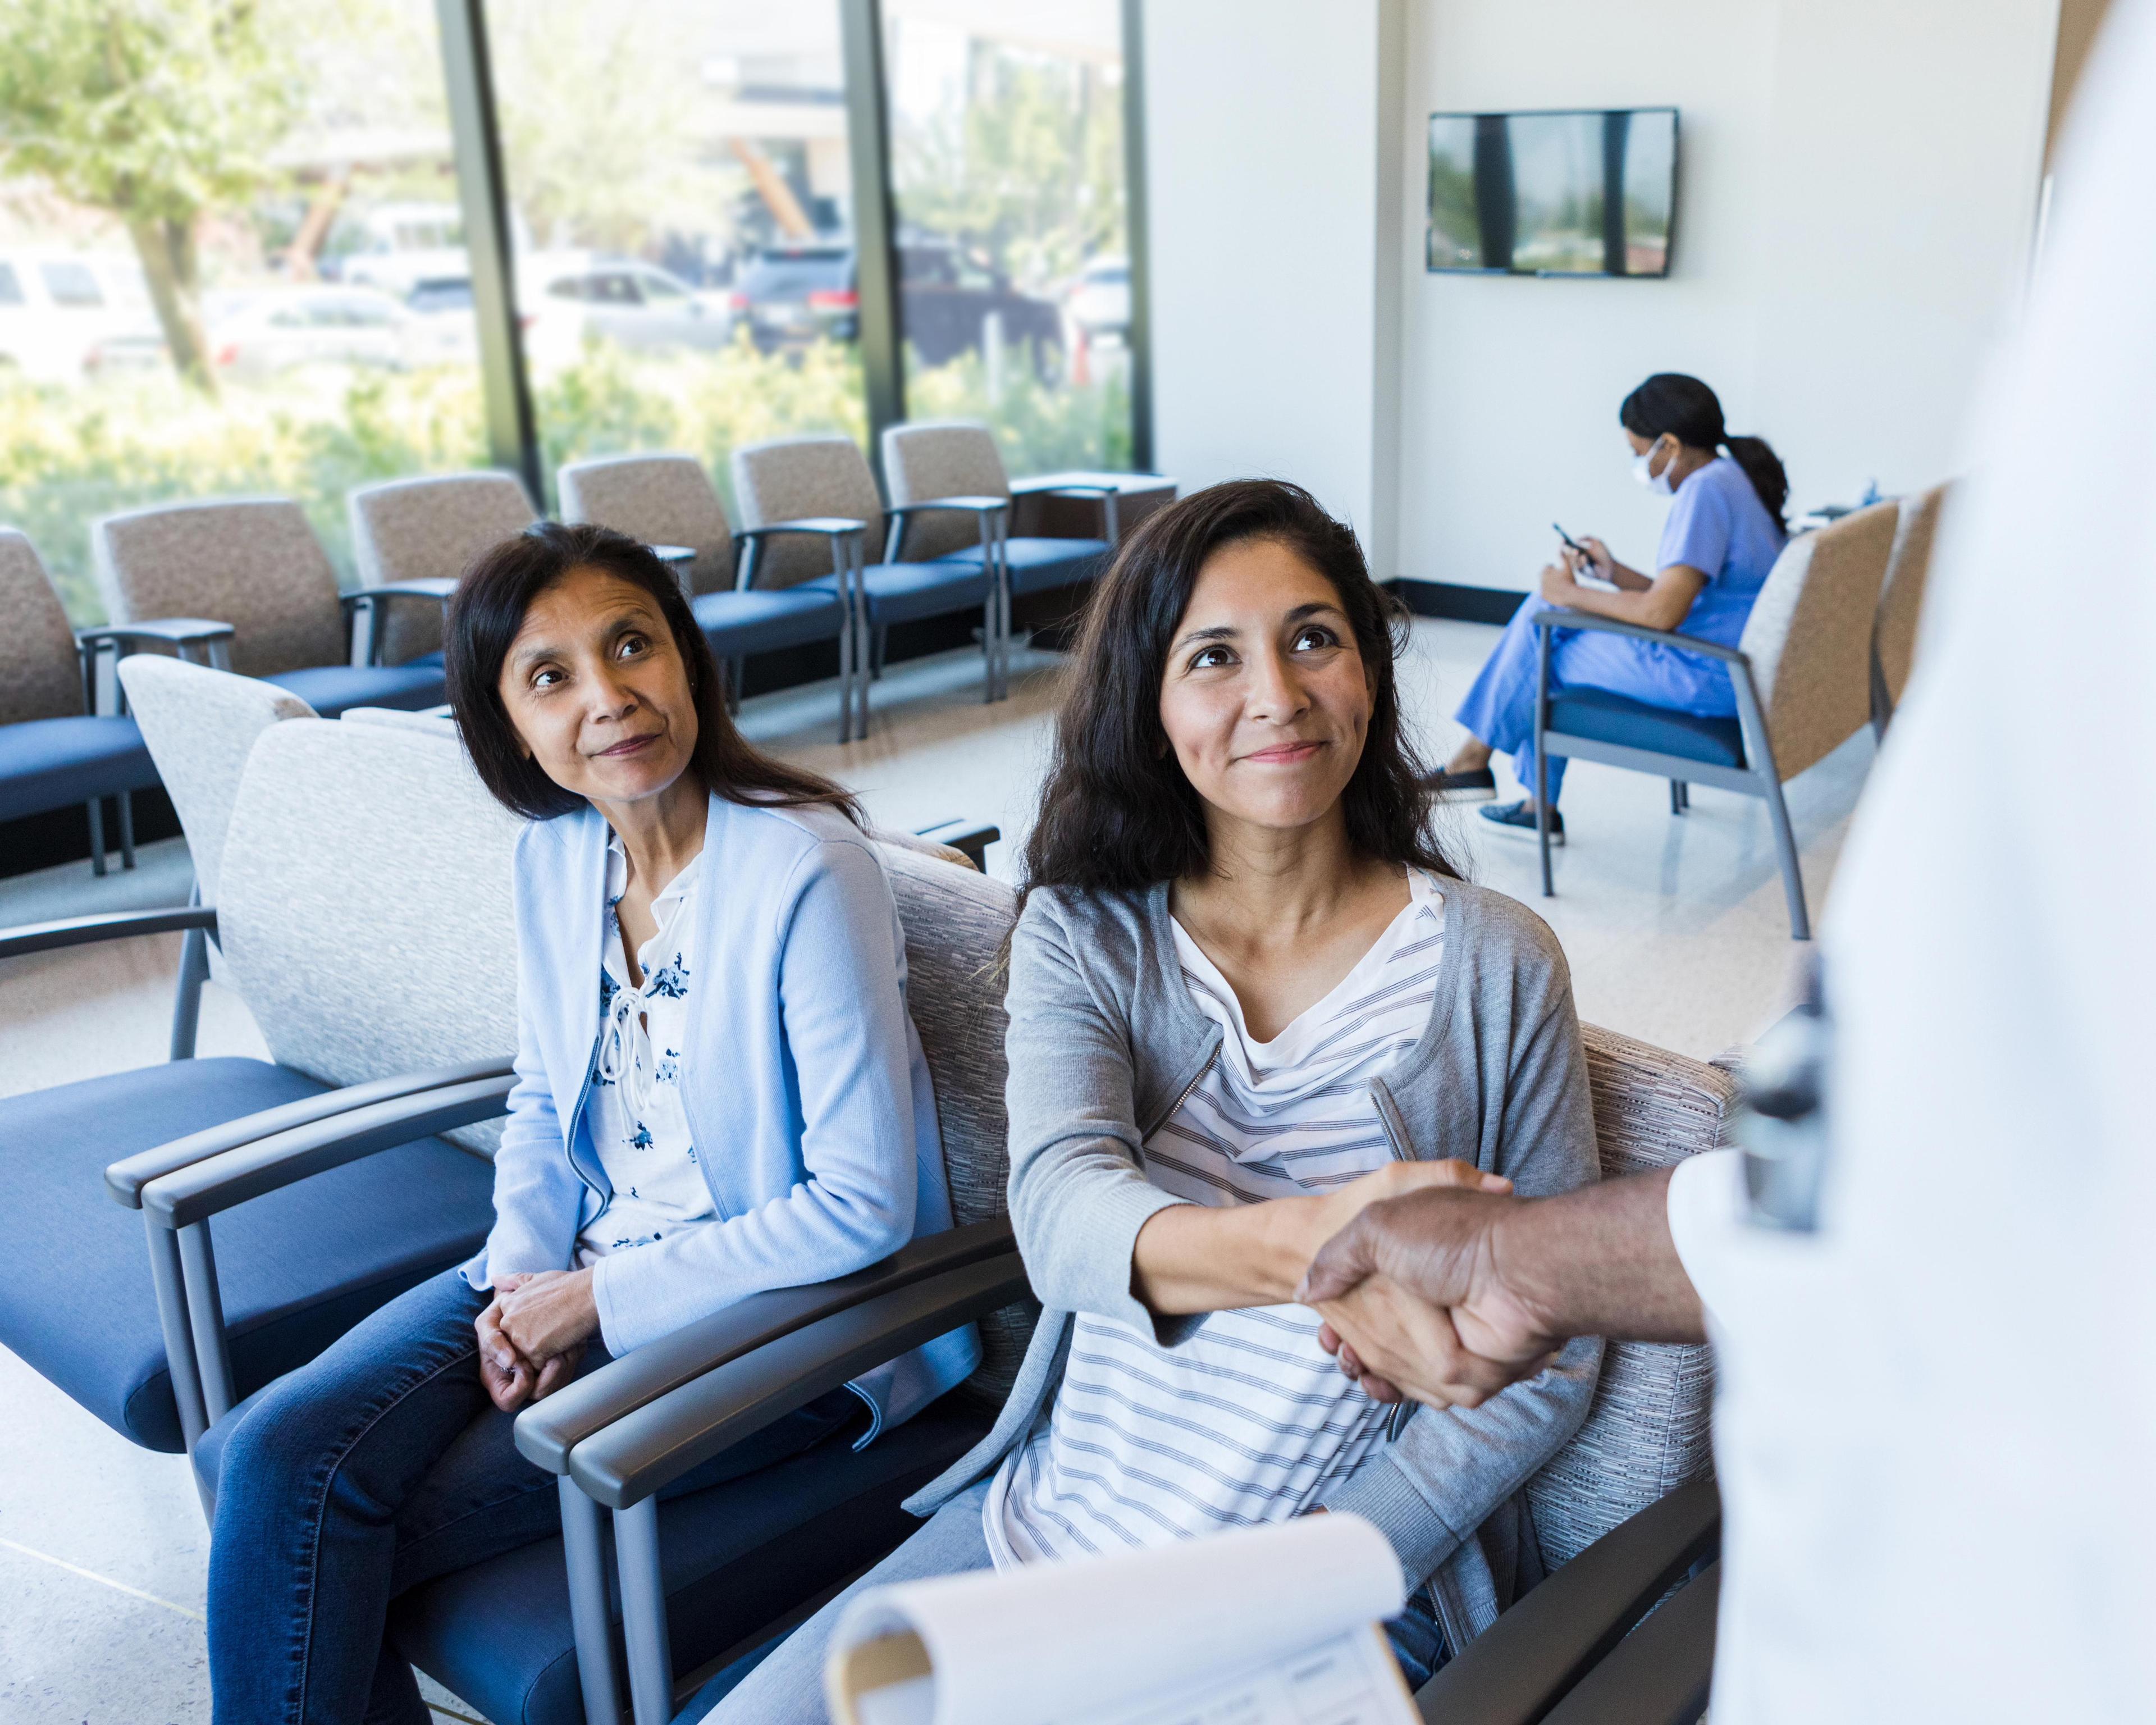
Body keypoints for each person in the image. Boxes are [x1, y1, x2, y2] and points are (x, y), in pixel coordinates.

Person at [1298, 1, 2156, 1705]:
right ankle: (1493, 759)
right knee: (1556, 614)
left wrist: (1583, 583)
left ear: (1663, 433)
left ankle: (1475, 762)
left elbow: (1980, 1165)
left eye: (1636, 444)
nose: (1635, 462)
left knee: (1540, 622)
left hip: (1707, 700)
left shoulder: (1711, 513)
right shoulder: (1741, 484)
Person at [704, 478, 1605, 1724]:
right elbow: (1066, 1222)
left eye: (1313, 639)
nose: (1276, 697)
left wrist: (1326, 1566)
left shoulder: (1498, 964)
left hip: (1319, 1585)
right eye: (1215, 657)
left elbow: (1564, 1356)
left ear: (1370, 671)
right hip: (1047, 1528)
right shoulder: (1086, 931)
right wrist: (1335, 1246)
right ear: (1153, 700)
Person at [199, 523, 977, 1725]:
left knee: (324, 1524)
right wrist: (520, 1281)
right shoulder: (552, 860)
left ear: (688, 659)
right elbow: (546, 1099)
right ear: (510, 723)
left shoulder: (805, 871)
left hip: (780, 1319)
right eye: (551, 676)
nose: (609, 698)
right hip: (567, 1268)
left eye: (632, 645)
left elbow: (860, 1207)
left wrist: (595, 1304)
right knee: (272, 1457)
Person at [1434, 374, 1789, 843]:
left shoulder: (1705, 492)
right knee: (1548, 623)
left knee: (1544, 646)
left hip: (1709, 671)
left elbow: (1663, 614)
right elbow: (1692, 593)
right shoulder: (1734, 477)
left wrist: (1567, 593)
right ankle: (1490, 776)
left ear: (1670, 445)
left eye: (1640, 453)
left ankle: (1493, 778)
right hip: (1725, 659)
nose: (1640, 465)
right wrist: (1615, 574)